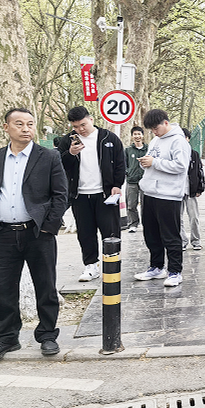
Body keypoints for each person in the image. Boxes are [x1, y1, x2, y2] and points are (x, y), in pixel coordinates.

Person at [0, 108, 68, 360]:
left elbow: (60, 195)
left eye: (30, 124)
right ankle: (7, 338)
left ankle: (47, 335)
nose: (26, 129)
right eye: (19, 124)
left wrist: (48, 227)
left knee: (45, 286)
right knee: (4, 289)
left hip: (37, 233)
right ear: (6, 127)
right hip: (2, 234)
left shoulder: (49, 157)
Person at [59, 106, 125, 282]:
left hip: (105, 194)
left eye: (83, 124)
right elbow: (60, 164)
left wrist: (117, 185)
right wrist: (70, 154)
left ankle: (112, 264)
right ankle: (91, 266)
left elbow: (120, 162)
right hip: (79, 195)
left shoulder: (108, 138)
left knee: (110, 232)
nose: (80, 129)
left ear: (91, 120)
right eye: (75, 126)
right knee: (85, 233)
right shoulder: (68, 141)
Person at [134, 110, 190, 287]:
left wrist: (154, 162)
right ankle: (156, 266)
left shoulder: (179, 141)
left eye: (156, 128)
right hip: (149, 192)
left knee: (170, 235)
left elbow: (181, 166)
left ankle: (175, 271)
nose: (154, 132)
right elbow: (153, 160)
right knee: (151, 234)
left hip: (168, 194)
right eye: (151, 130)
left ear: (166, 123)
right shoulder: (155, 140)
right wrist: (146, 163)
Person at [180, 128, 204, 251]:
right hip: (177, 191)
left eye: (185, 137)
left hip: (191, 190)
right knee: (177, 218)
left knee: (194, 217)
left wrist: (200, 188)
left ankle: (196, 241)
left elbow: (199, 171)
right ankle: (182, 241)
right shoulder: (174, 153)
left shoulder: (194, 154)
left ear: (188, 139)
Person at [124, 126, 148, 233]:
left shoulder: (148, 149)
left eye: (139, 134)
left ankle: (147, 224)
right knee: (131, 204)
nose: (137, 136)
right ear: (132, 136)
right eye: (135, 134)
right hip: (132, 181)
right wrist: (128, 172)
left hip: (145, 180)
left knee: (146, 205)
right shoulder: (128, 150)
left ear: (142, 135)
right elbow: (124, 164)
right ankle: (133, 224)